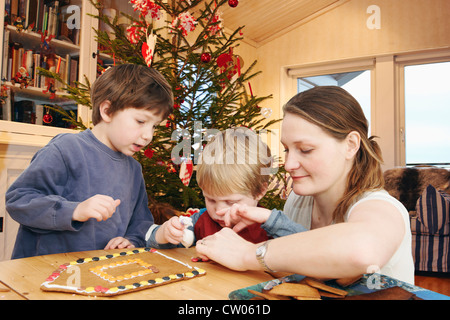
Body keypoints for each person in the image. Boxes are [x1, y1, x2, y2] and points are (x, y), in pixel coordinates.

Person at [196, 86, 415, 284]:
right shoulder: (298, 200)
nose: (289, 164)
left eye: (306, 149)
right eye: (287, 149)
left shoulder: (382, 206)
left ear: (350, 145)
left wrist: (248, 254)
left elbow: (362, 251)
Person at [5, 64, 174, 259]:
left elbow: (140, 223)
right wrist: (75, 210)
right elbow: (19, 200)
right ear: (107, 111)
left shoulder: (134, 169)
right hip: (42, 274)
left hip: (97, 275)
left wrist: (131, 241)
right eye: (141, 122)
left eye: (154, 126)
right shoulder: (66, 149)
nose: (148, 136)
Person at [145, 127, 307, 249]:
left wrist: (270, 219)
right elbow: (155, 246)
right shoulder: (201, 220)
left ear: (260, 191)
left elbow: (308, 247)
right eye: (210, 199)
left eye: (231, 202)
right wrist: (164, 234)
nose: (218, 211)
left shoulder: (271, 226)